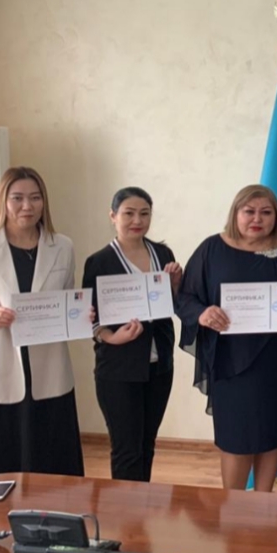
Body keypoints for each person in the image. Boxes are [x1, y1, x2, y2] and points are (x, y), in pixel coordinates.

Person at [0, 166, 86, 483]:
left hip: (48, 368)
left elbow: (66, 299)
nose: (27, 206)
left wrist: (79, 315)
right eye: (18, 198)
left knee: (49, 464)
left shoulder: (62, 246)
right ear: (3, 201)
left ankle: (49, 513)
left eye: (35, 198)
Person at [176, 184, 277, 492]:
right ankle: (234, 506)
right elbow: (185, 298)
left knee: (271, 433)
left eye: (266, 212)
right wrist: (202, 313)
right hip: (230, 363)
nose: (257, 218)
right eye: (249, 211)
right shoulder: (211, 249)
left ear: (276, 217)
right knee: (236, 439)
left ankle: (262, 502)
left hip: (275, 361)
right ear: (235, 213)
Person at [81, 187, 183, 482]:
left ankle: (142, 503)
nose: (137, 220)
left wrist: (176, 285)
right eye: (129, 213)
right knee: (127, 449)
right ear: (113, 216)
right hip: (118, 367)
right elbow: (88, 318)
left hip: (159, 366)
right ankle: (125, 509)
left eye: (144, 214)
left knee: (147, 444)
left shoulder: (162, 253)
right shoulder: (99, 261)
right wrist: (111, 337)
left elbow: (173, 305)